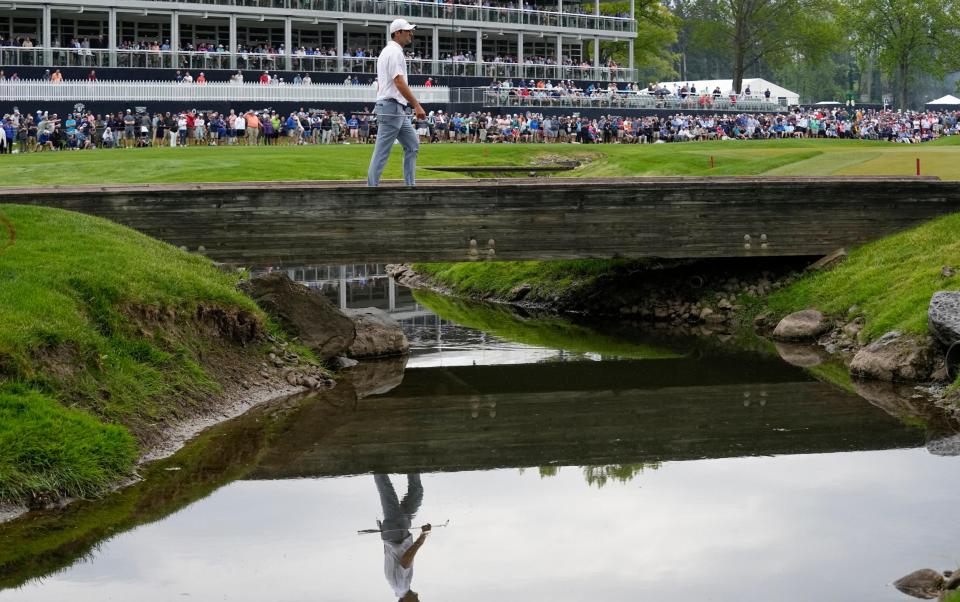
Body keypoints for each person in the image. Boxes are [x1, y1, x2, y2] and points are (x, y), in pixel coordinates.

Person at [367, 18, 426, 187]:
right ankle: (370, 190)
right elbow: (399, 82)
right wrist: (416, 104)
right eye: (408, 31)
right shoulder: (394, 52)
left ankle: (410, 186)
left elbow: (384, 84)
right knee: (382, 151)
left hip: (395, 107)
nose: (411, 34)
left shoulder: (390, 51)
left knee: (412, 145)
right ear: (397, 33)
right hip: (392, 107)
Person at [374, 474, 430, 602]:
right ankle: (413, 466)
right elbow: (387, 553)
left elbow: (406, 560)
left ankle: (377, 466)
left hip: (396, 533)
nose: (418, 600)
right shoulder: (398, 588)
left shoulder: (401, 587)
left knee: (387, 492)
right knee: (416, 494)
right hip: (398, 532)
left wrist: (423, 537)